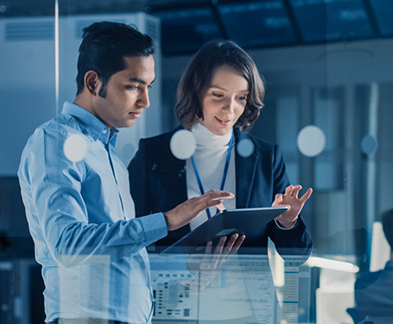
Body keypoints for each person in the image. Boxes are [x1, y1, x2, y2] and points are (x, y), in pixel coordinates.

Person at [18, 22, 238, 324]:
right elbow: (68, 245)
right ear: (94, 82)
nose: (145, 101)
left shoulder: (110, 157)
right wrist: (168, 220)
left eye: (148, 86)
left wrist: (190, 275)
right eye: (134, 86)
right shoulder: (55, 142)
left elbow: (118, 264)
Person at [128, 39, 313, 257]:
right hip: (178, 289)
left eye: (241, 97)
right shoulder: (153, 154)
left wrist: (287, 222)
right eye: (218, 95)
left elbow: (298, 256)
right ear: (196, 92)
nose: (230, 109)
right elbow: (129, 238)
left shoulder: (266, 158)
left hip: (248, 290)